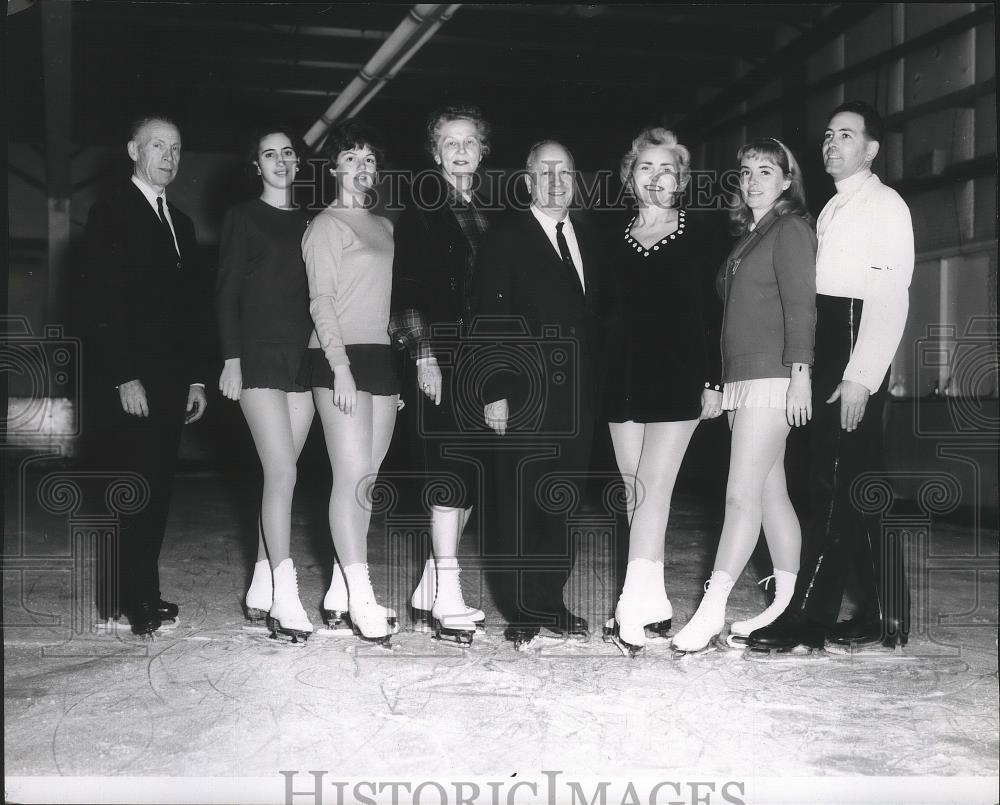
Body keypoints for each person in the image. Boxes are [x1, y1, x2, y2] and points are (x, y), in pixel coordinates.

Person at [748, 102, 914, 652]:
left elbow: (890, 298)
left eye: (846, 135)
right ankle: (884, 612)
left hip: (855, 349)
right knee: (860, 484)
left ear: (871, 149)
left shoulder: (885, 205)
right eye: (827, 135)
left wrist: (861, 376)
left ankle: (810, 619)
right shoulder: (833, 209)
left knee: (835, 484)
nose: (832, 143)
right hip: (834, 345)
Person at [670, 137, 817, 653]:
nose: (753, 179)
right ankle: (786, 603)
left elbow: (802, 307)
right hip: (742, 379)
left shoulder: (791, 228)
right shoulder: (751, 236)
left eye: (765, 170)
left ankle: (711, 611)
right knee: (770, 491)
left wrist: (801, 374)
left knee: (740, 495)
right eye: (746, 171)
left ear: (786, 180)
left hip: (775, 378)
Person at [473, 140, 605, 647]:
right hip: (521, 392)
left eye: (565, 172)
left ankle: (552, 599)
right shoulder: (503, 237)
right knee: (518, 503)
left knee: (561, 500)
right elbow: (489, 319)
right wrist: (495, 391)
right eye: (544, 172)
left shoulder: (588, 235)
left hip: (577, 395)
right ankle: (522, 608)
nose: (556, 181)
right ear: (528, 181)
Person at [83, 115, 209, 636]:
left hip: (174, 376)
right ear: (134, 148)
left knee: (156, 486)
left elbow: (192, 309)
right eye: (158, 145)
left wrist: (197, 378)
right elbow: (101, 301)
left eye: (176, 148)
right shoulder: (110, 210)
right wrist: (123, 376)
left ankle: (143, 591)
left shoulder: (182, 220)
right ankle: (125, 597)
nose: (169, 156)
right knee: (130, 485)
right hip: (133, 377)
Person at [602, 127, 724, 654]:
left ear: (681, 180)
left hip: (679, 378)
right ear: (631, 176)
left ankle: (631, 605)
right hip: (621, 377)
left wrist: (714, 381)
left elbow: (715, 314)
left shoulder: (703, 233)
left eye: (667, 168)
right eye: (646, 167)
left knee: (653, 486)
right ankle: (654, 600)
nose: (656, 176)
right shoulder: (610, 235)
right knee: (635, 492)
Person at [389, 106, 493, 643]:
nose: (458, 151)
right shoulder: (422, 211)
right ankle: (448, 593)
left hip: (485, 363)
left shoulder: (493, 213)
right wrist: (424, 354)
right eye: (448, 143)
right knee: (448, 474)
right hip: (441, 357)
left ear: (481, 151)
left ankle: (432, 580)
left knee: (472, 475)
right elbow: (405, 291)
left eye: (468, 142)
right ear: (435, 153)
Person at [298, 120, 400, 645]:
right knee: (351, 474)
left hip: (381, 357)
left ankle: (340, 589)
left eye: (369, 159)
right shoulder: (324, 226)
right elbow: (322, 302)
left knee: (369, 480)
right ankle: (362, 596)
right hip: (338, 358)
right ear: (334, 167)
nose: (363, 167)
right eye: (352, 158)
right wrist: (339, 365)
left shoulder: (383, 226)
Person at [216, 127, 315, 641]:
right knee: (281, 473)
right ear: (256, 165)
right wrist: (231, 358)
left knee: (284, 475)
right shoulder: (242, 217)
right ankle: (285, 594)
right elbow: (227, 290)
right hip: (255, 360)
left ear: (298, 163)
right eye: (268, 153)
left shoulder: (313, 223)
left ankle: (259, 583)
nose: (279, 161)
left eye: (287, 153)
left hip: (302, 362)